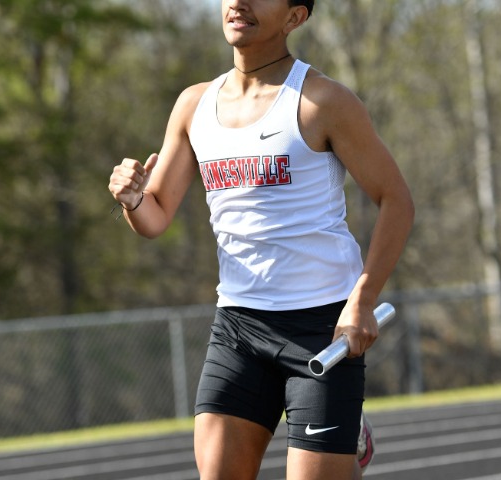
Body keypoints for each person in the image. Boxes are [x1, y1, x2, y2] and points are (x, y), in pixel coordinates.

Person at [108, 0, 414, 478]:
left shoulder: (322, 101)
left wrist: (363, 299)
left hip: (321, 327)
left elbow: (396, 200)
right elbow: (156, 216)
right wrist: (132, 199)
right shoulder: (194, 105)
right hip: (239, 326)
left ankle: (345, 440)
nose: (238, 2)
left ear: (295, 17)